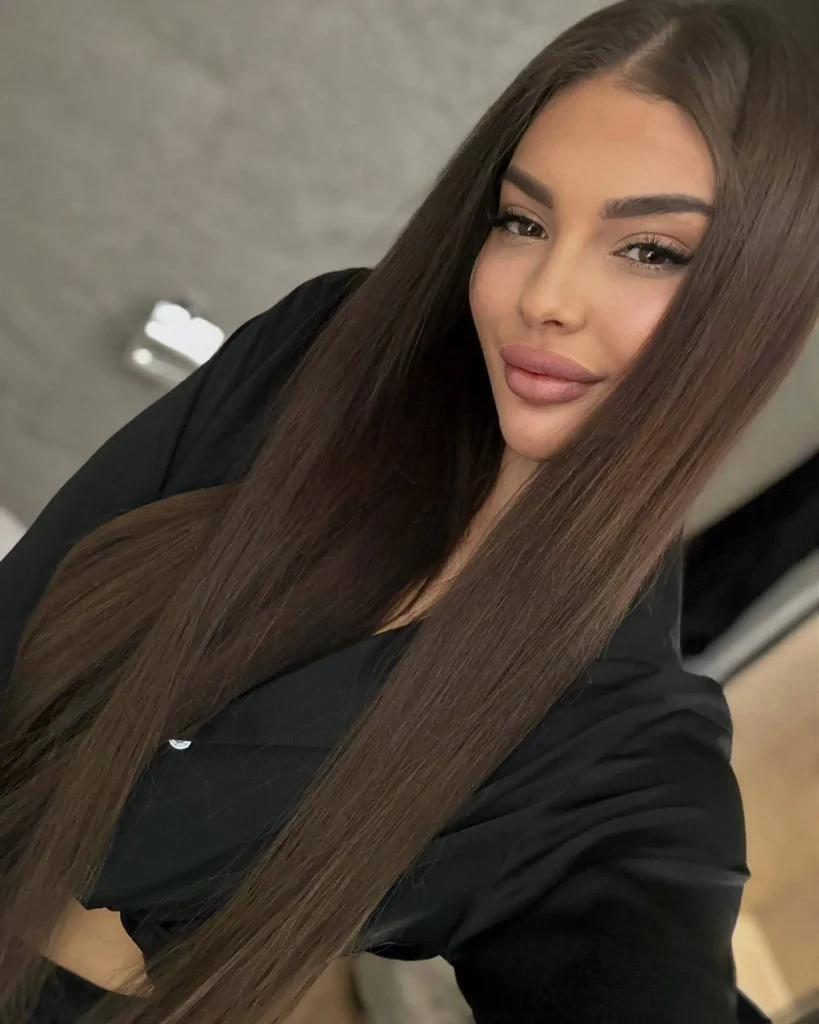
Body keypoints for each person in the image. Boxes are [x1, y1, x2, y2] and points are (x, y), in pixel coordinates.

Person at [0, 0, 816, 1021]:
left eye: (649, 250)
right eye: (523, 222)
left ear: (766, 293)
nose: (544, 295)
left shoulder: (618, 752)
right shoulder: (325, 352)